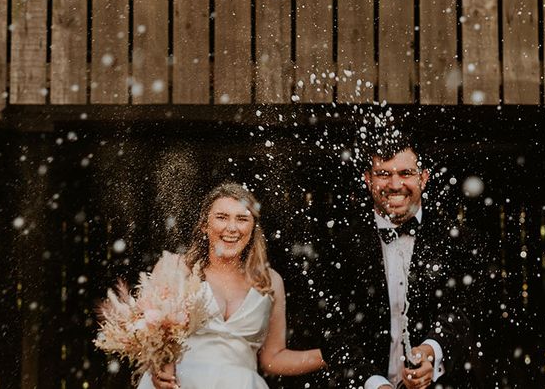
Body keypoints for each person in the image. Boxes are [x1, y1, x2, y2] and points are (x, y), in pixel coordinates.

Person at [314, 127, 484, 389]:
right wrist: (372, 382)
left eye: (405, 173)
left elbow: (464, 311)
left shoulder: (457, 239)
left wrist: (431, 351)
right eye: (384, 174)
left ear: (423, 178)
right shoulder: (340, 244)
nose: (395, 185)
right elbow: (333, 329)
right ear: (368, 179)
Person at [138, 181, 326, 389]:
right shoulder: (176, 268)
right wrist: (157, 364)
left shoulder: (270, 281)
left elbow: (273, 359)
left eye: (242, 219)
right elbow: (145, 334)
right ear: (204, 224)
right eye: (221, 217)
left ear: (253, 226)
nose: (232, 228)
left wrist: (328, 355)